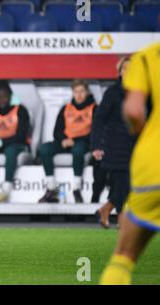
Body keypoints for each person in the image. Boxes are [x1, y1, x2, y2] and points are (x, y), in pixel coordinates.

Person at [100, 41, 160, 285]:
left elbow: (134, 111)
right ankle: (108, 209)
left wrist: (145, 134)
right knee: (119, 181)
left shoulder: (146, 57)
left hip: (152, 158)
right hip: (119, 148)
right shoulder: (111, 92)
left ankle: (108, 209)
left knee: (123, 258)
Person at [91, 56, 136, 228]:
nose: (128, 72)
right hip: (115, 143)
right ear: (120, 72)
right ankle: (122, 219)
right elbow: (99, 120)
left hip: (135, 143)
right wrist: (96, 145)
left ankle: (106, 209)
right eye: (125, 68)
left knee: (125, 182)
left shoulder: (142, 92)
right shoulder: (112, 92)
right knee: (123, 180)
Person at [38, 79, 97, 204]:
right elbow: (56, 131)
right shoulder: (66, 108)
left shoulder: (94, 108)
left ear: (87, 92)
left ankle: (76, 189)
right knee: (45, 149)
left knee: (78, 150)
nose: (79, 95)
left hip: (83, 142)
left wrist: (75, 141)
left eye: (82, 91)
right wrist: (63, 140)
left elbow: (96, 132)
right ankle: (51, 188)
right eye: (76, 92)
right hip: (66, 141)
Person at [0, 80, 30, 203]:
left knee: (10, 150)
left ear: (10, 96)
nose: (2, 100)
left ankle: (6, 189)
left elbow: (21, 136)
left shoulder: (21, 110)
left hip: (18, 145)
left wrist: (0, 142)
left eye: (5, 96)